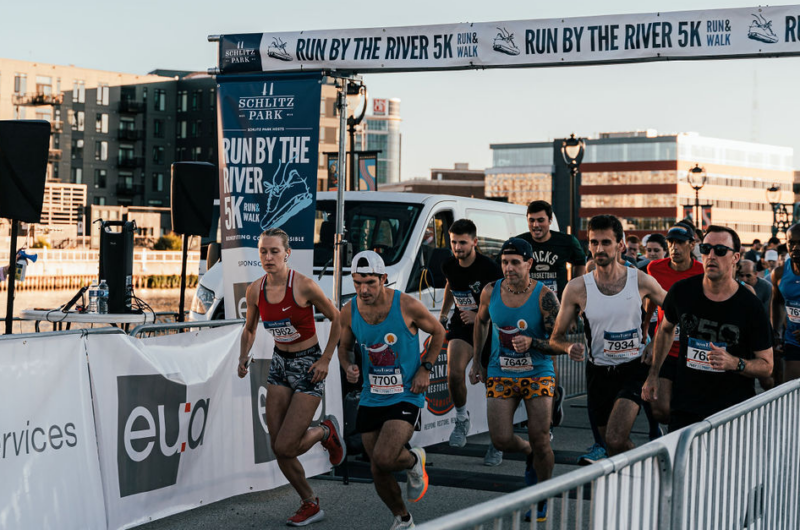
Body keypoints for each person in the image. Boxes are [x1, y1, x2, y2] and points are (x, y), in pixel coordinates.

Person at [237, 228, 344, 527]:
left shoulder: (304, 286)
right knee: (278, 446)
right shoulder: (254, 290)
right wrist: (242, 356)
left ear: (287, 253)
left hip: (309, 364)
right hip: (280, 364)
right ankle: (310, 502)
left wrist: (326, 359)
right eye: (263, 251)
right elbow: (249, 328)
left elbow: (337, 318)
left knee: (286, 446)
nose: (268, 257)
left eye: (274, 251)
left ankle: (325, 432)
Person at [338, 250, 445, 530]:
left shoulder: (406, 305)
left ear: (383, 278)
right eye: (357, 282)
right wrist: (348, 366)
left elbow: (439, 332)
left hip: (406, 392)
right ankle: (403, 518)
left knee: (385, 457)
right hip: (372, 395)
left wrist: (426, 368)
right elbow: (344, 346)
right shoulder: (349, 310)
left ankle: (413, 460)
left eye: (370, 282)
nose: (363, 289)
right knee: (377, 467)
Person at [551, 215, 666, 457]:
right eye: (594, 243)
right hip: (598, 374)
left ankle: (641, 477)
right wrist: (568, 348)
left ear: (620, 245)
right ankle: (636, 476)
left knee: (615, 437)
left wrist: (654, 342)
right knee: (610, 445)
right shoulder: (577, 288)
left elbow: (675, 312)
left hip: (633, 369)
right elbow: (556, 337)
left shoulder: (640, 280)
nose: (599, 249)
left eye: (606, 242)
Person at [643, 226, 772, 431]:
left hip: (731, 411)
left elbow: (766, 365)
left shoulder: (749, 304)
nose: (711, 256)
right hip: (686, 407)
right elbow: (665, 329)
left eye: (720, 250)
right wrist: (654, 373)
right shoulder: (682, 291)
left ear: (735, 257)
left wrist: (734, 363)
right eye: (706, 249)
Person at [471, 238, 561, 523]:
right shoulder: (490, 291)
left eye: (515, 263)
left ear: (529, 264)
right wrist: (477, 360)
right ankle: (529, 454)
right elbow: (482, 321)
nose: (508, 268)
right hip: (501, 371)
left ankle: (541, 496)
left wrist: (532, 342)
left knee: (541, 439)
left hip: (538, 373)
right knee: (500, 439)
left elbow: (559, 342)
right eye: (504, 262)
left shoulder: (545, 296)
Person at [438, 219, 505, 465]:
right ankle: (461, 419)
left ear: (474, 242)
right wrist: (444, 314)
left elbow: (502, 301)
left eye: (463, 243)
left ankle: (498, 442)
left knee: (493, 388)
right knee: (454, 371)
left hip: (489, 328)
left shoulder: (490, 268)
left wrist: (479, 315)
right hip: (462, 326)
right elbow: (450, 286)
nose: (457, 247)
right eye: (454, 242)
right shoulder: (448, 264)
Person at [515, 200, 586, 432]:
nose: (536, 225)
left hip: (556, 308)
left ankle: (549, 404)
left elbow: (579, 264)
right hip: (526, 306)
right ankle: (544, 401)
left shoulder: (566, 242)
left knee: (547, 353)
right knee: (527, 357)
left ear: (550, 220)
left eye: (541, 220)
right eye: (532, 220)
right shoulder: (520, 242)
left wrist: (573, 300)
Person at [642, 224, 704, 425]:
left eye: (680, 242)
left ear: (692, 244)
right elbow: (651, 300)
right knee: (661, 411)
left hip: (694, 350)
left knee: (690, 410)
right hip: (665, 347)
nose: (674, 247)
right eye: (671, 242)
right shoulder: (655, 268)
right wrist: (646, 331)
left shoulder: (702, 272)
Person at [771, 224, 800, 384]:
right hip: (793, 340)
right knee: (790, 392)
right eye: (792, 243)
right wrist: (775, 333)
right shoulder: (780, 273)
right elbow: (777, 302)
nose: (795, 247)